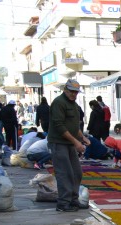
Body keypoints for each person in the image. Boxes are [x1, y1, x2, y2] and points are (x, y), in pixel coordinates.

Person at [48, 79, 90, 213]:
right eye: (71, 91)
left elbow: (74, 126)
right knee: (64, 173)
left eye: (76, 92)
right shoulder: (59, 102)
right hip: (59, 142)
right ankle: (63, 203)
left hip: (69, 143)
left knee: (76, 172)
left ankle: (73, 200)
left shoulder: (74, 105)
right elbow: (59, 125)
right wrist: (76, 142)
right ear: (65, 90)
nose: (73, 94)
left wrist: (82, 138)